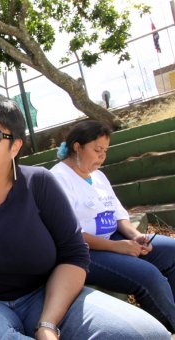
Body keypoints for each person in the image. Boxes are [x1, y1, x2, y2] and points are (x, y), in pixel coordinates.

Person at [0, 96, 172, 340]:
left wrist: (47, 324)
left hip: (47, 295)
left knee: (145, 334)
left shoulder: (40, 183)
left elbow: (74, 255)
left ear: (15, 146)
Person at [50, 119, 175, 333]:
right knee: (147, 275)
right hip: (84, 252)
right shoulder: (57, 179)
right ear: (77, 147)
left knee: (171, 251)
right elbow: (69, 234)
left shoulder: (98, 176)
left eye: (105, 151)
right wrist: (119, 247)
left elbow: (118, 214)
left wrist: (135, 236)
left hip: (115, 238)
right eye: (97, 149)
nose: (102, 156)